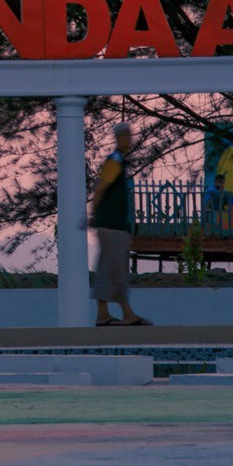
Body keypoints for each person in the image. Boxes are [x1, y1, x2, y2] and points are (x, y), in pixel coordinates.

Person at [90, 123, 151, 327]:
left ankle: (105, 314)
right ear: (120, 137)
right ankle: (126, 313)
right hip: (111, 225)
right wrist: (95, 214)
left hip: (112, 225)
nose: (130, 139)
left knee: (109, 269)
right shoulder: (115, 160)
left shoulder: (119, 160)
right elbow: (100, 188)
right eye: (127, 135)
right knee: (116, 269)